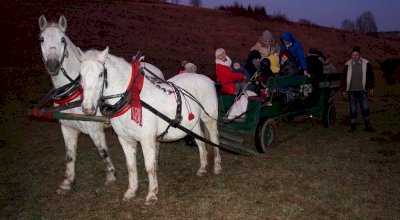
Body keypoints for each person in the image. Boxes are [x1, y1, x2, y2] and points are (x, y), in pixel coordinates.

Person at [340, 46, 375, 132]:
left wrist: (371, 87)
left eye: (356, 55)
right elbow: (343, 78)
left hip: (362, 91)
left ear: (360, 55)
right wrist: (343, 90)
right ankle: (353, 127)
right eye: (353, 55)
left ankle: (368, 125)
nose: (355, 57)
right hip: (352, 91)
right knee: (353, 109)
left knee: (365, 108)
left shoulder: (366, 64)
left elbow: (371, 76)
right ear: (351, 56)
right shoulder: (347, 65)